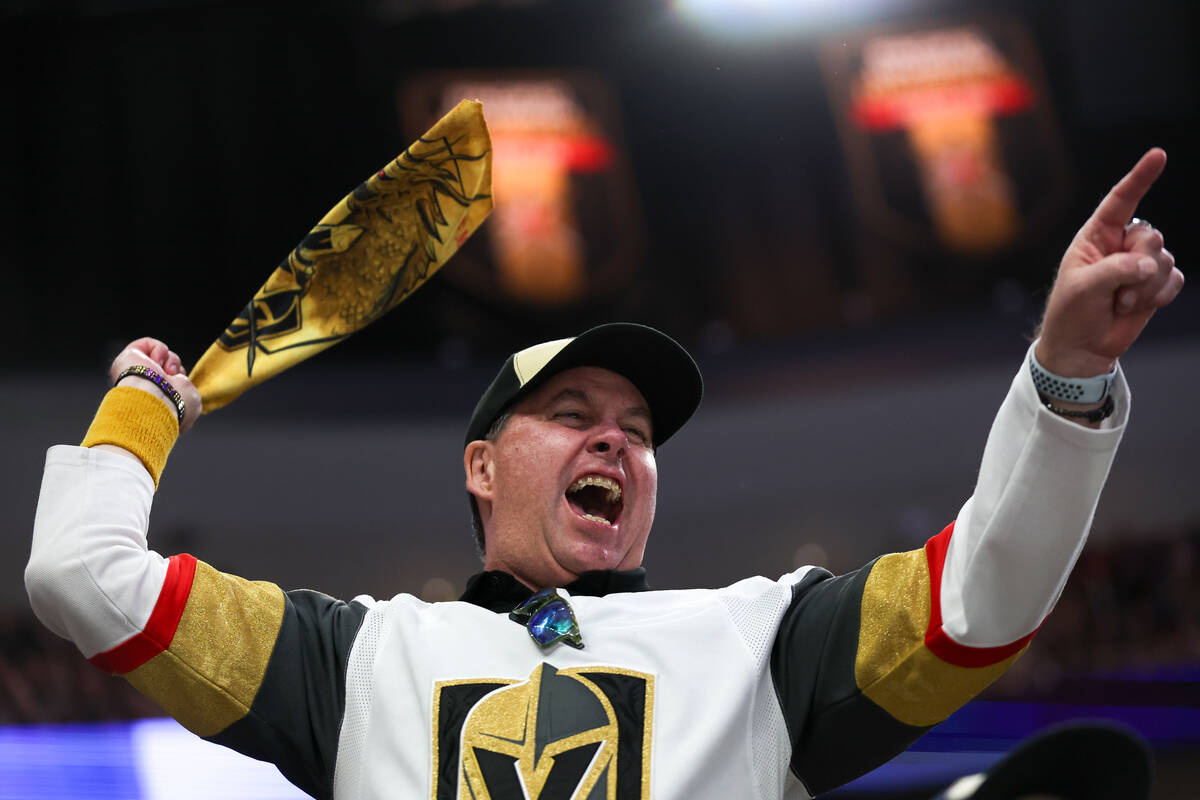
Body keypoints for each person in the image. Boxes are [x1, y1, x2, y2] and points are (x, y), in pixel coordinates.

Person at [25, 149, 1181, 800]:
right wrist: (146, 405)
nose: (616, 441)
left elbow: (982, 597)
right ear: (481, 466)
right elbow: (81, 571)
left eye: (637, 428)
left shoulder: (762, 638)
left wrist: (1066, 376)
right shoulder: (355, 657)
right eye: (571, 413)